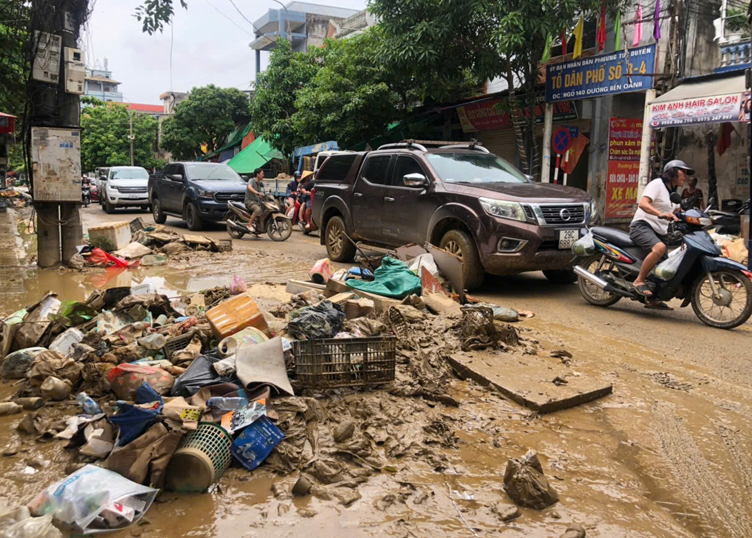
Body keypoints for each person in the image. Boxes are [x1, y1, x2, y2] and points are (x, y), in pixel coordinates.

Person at [629, 159, 693, 310]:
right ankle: (639, 280)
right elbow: (643, 204)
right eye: (683, 172)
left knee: (665, 269)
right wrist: (661, 214)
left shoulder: (674, 194)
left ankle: (653, 299)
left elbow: (678, 212)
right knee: (659, 248)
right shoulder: (657, 184)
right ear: (672, 173)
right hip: (642, 226)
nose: (686, 176)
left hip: (660, 231)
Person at [245, 168, 265, 233]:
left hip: (256, 202)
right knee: (258, 210)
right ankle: (249, 224)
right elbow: (249, 187)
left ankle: (257, 229)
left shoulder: (259, 184)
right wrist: (257, 192)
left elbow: (259, 195)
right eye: (262, 174)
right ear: (258, 174)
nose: (263, 175)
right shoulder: (251, 180)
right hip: (249, 202)